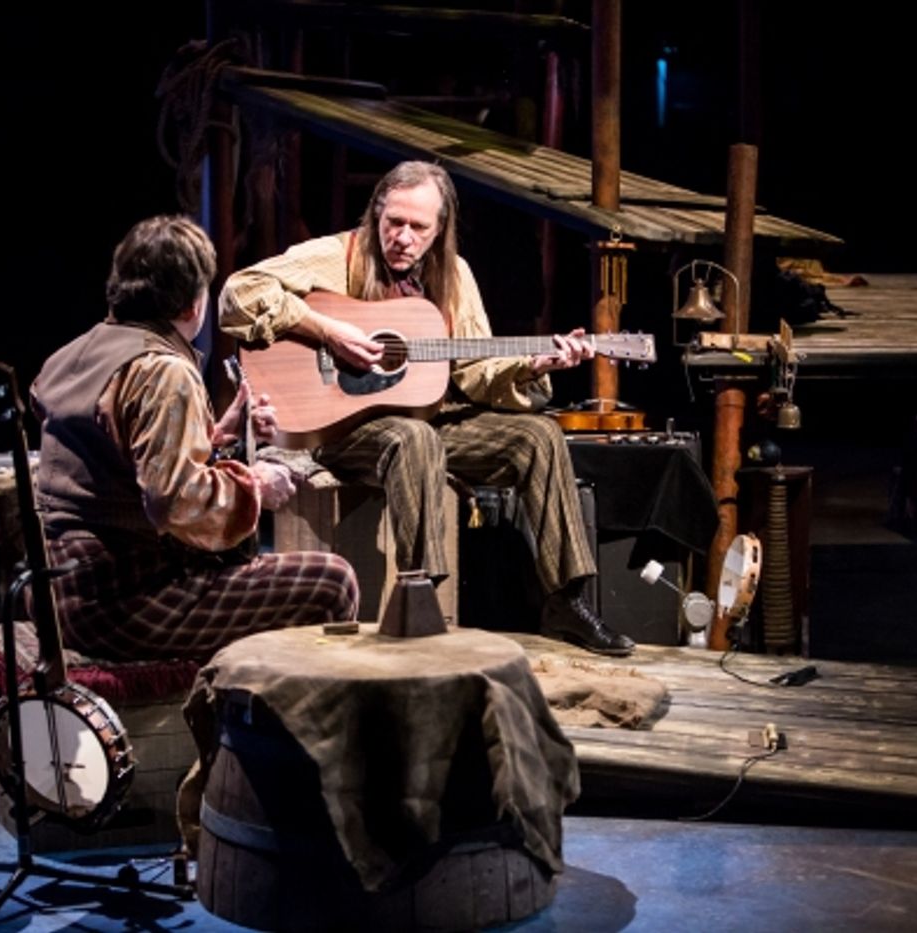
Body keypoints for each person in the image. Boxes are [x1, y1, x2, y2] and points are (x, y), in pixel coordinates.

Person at [218, 160, 634, 656]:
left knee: (537, 436)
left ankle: (566, 600)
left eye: (419, 227)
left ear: (439, 231)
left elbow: (475, 372)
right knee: (414, 438)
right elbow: (237, 294)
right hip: (340, 431)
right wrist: (329, 331)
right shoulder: (333, 256)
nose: (403, 238)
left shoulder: (454, 276)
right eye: (394, 222)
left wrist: (530, 367)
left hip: (426, 421)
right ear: (377, 214)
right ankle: (421, 598)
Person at [30, 214, 359, 662]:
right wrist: (256, 485)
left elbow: (115, 460)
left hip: (57, 588)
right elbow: (172, 501)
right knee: (331, 583)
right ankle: (285, 728)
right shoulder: (162, 370)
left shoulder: (73, 353)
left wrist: (216, 436)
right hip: (121, 600)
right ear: (192, 304)